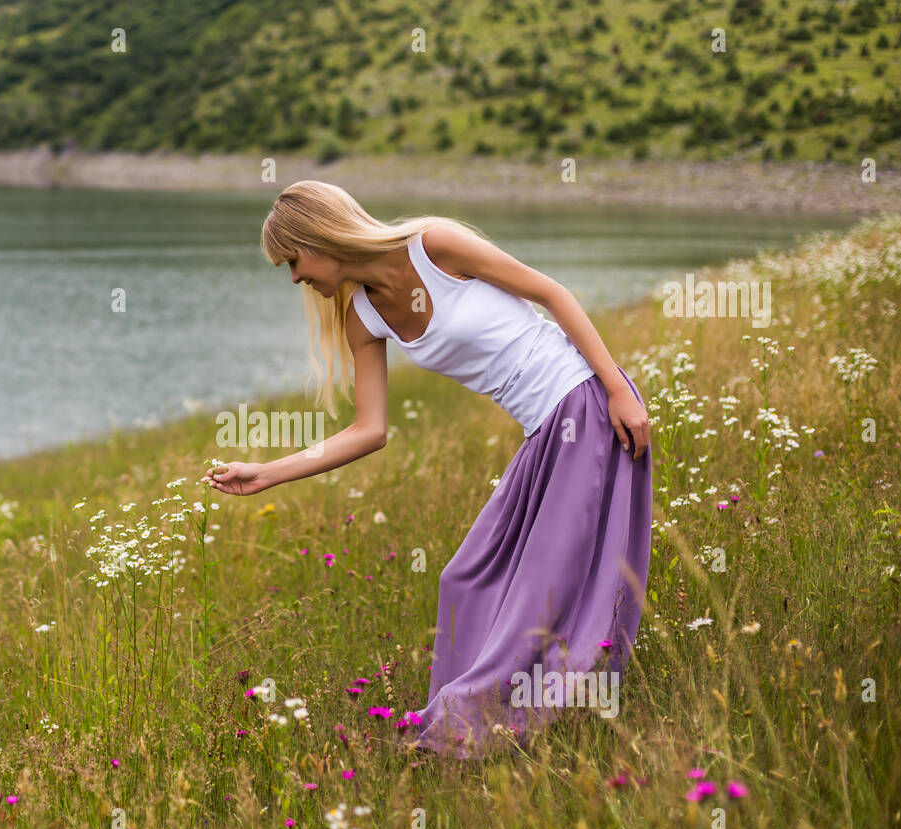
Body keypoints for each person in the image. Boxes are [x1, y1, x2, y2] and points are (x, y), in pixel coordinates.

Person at [201, 180, 652, 759]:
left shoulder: (434, 245)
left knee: (545, 583)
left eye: (294, 260)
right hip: (542, 432)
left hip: (583, 402)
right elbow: (370, 430)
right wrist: (268, 472)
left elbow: (552, 294)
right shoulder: (362, 317)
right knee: (465, 579)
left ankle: (484, 729)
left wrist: (618, 389)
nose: (295, 278)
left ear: (318, 236)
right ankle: (471, 725)